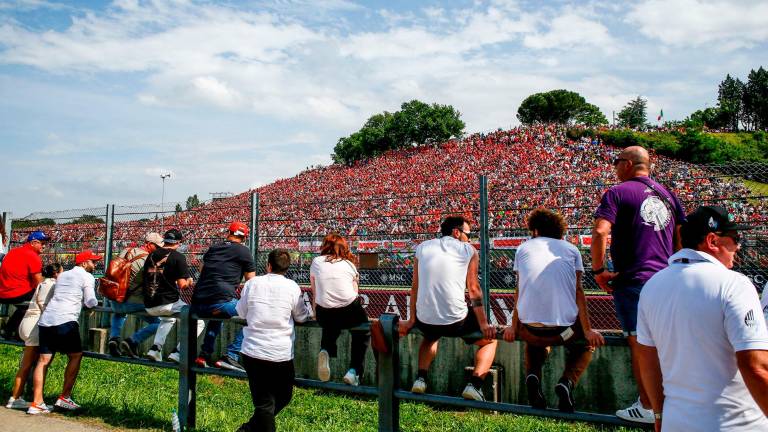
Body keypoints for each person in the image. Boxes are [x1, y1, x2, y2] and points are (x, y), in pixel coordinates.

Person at [636, 206, 768, 431]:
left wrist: (659, 414)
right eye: (735, 239)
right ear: (712, 241)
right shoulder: (734, 284)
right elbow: (755, 367)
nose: (738, 247)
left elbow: (647, 361)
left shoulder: (651, 287)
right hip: (737, 424)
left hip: (676, 423)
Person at [591, 146, 685, 423]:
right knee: (669, 343)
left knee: (639, 343)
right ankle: (671, 404)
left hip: (634, 280)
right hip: (667, 278)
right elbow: (680, 237)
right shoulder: (668, 194)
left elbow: (599, 231)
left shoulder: (617, 192)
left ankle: (647, 405)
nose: (614, 167)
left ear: (629, 164)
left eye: (616, 162)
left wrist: (599, 270)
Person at [503, 209, 605, 412]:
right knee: (585, 346)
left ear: (536, 230)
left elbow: (519, 290)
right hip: (563, 333)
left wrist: (512, 327)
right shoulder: (571, 249)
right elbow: (578, 292)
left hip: (530, 330)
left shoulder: (523, 249)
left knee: (534, 341)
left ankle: (533, 374)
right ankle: (566, 382)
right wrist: (588, 330)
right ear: (559, 230)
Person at [399, 216, 497, 401]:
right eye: (469, 234)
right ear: (456, 232)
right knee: (491, 341)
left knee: (430, 336)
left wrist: (412, 319)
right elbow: (474, 289)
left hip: (425, 319)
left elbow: (415, 287)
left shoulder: (422, 247)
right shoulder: (468, 250)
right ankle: (475, 385)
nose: (470, 238)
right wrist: (483, 323)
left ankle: (420, 379)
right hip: (456, 321)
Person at [235, 249, 312, 432]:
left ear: (268, 265)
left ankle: (247, 429)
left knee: (266, 403)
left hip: (254, 351)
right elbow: (301, 317)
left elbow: (241, 312)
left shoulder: (253, 283)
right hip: (280, 353)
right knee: (278, 399)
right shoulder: (292, 286)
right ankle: (248, 429)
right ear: (287, 268)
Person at [28, 251, 101, 415]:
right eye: (92, 262)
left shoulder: (63, 275)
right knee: (75, 355)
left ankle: (37, 402)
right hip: (66, 319)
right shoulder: (87, 276)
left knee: (43, 360)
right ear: (83, 263)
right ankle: (65, 397)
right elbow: (90, 300)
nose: (94, 265)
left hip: (47, 319)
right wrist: (93, 304)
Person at [191, 221, 256, 371]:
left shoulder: (214, 248)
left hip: (197, 303)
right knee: (256, 314)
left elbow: (201, 269)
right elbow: (251, 283)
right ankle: (231, 356)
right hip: (220, 302)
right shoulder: (244, 251)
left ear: (229, 233)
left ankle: (204, 355)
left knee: (217, 317)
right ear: (245, 237)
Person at [311, 233, 369, 386]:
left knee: (330, 322)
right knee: (362, 331)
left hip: (325, 312)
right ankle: (354, 370)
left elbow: (315, 291)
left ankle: (326, 349)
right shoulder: (349, 264)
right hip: (349, 310)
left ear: (325, 246)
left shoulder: (316, 262)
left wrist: (316, 312)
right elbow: (355, 293)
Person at [6, 263, 62, 410]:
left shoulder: (42, 283)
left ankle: (15, 397)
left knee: (26, 365)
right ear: (56, 273)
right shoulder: (53, 284)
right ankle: (37, 401)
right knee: (42, 364)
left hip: (26, 322)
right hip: (36, 326)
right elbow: (48, 305)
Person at [142, 228, 204, 362]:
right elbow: (182, 285)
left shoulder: (151, 255)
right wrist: (189, 281)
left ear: (165, 240)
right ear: (179, 242)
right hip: (167, 303)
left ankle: (155, 349)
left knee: (168, 319)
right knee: (199, 323)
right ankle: (178, 353)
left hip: (148, 304)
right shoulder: (178, 257)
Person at [108, 233, 164, 358]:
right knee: (159, 323)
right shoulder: (149, 260)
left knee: (119, 313)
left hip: (116, 299)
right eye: (158, 247)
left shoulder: (126, 251)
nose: (160, 250)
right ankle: (132, 341)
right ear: (149, 245)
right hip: (133, 302)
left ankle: (114, 338)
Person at [0, 231, 47, 339]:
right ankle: (26, 335)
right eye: (42, 243)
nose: (44, 246)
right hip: (17, 294)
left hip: (2, 293)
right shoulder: (33, 256)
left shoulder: (13, 251)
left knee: (25, 306)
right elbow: (39, 283)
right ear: (33, 243)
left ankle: (9, 331)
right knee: (42, 299)